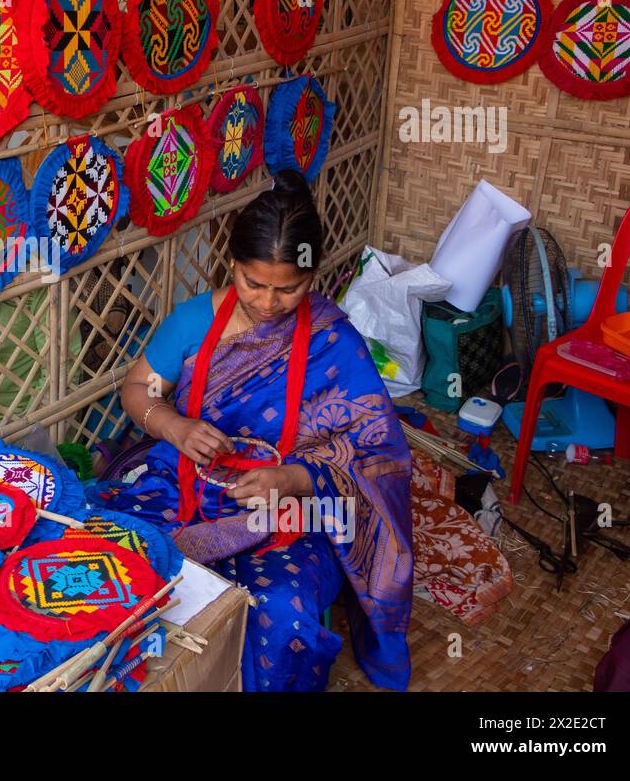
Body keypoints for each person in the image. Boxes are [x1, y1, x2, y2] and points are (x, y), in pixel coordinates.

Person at [107, 170, 413, 691]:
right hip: (182, 481)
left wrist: (294, 479)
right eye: (254, 284)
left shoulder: (332, 337)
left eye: (289, 289)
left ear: (312, 277)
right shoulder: (195, 322)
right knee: (122, 562)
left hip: (296, 507)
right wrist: (176, 426)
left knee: (284, 613)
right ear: (232, 266)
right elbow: (139, 390)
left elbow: (376, 451)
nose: (269, 303)